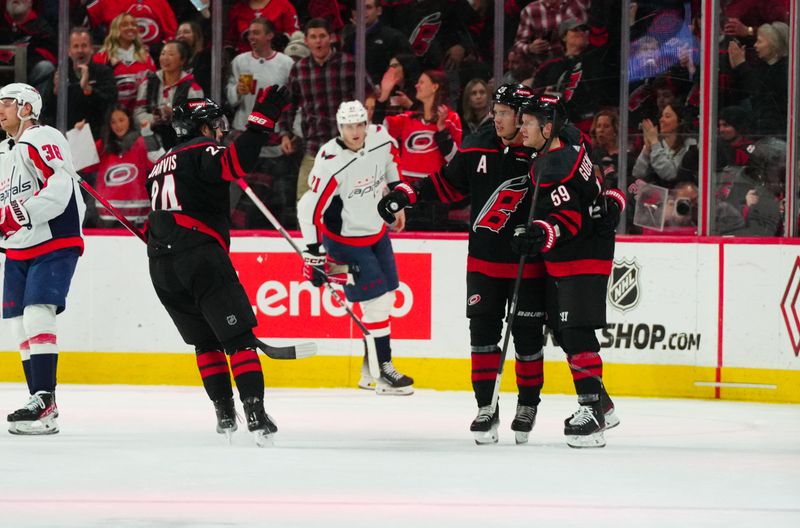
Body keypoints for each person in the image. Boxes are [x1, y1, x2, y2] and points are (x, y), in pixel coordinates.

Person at [378, 84, 547, 443]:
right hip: (483, 262)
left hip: (528, 265)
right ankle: (486, 407)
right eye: (496, 111)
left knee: (528, 339)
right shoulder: (478, 143)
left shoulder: (544, 149)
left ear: (522, 117)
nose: (495, 118)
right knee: (482, 336)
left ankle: (527, 405)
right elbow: (447, 186)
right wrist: (405, 194)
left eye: (503, 112)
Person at [145, 87, 292, 446]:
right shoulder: (202, 149)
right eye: (215, 124)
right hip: (200, 256)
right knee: (238, 339)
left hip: (161, 264)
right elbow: (236, 165)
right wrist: (260, 123)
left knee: (204, 341)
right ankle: (255, 414)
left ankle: (225, 413)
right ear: (202, 127)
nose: (220, 131)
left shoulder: (158, 166)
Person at [511, 94, 624, 448]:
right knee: (564, 329)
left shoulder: (551, 166)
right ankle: (601, 404)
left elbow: (568, 220)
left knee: (575, 331)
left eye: (528, 122)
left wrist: (541, 234)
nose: (521, 127)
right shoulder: (573, 143)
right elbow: (601, 187)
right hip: (586, 250)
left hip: (581, 254)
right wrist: (612, 201)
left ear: (547, 128)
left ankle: (591, 412)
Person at [297, 100, 413, 395]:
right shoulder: (330, 159)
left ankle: (367, 371)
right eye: (349, 126)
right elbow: (308, 207)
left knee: (387, 297)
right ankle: (383, 372)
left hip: (377, 233)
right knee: (376, 304)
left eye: (360, 124)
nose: (355, 131)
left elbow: (391, 163)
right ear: (340, 127)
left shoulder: (380, 138)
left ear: (366, 123)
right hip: (345, 241)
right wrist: (313, 251)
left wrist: (397, 199)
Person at [0, 83, 86, 435]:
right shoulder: (5, 153)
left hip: (53, 238)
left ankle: (44, 397)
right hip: (19, 246)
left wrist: (19, 214)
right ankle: (41, 406)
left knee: (38, 313)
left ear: (25, 108)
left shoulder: (42, 136)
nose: (0, 109)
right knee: (19, 324)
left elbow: (59, 187)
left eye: (6, 103)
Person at [278, 18, 372, 202]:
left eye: (322, 36)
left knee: (354, 204)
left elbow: (370, 94)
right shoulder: (299, 69)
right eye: (313, 37)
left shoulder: (348, 63)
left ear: (331, 38)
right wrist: (284, 134)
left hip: (348, 148)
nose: (318, 41)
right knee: (305, 204)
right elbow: (288, 105)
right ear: (306, 41)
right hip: (314, 147)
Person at [92, 104, 164, 226]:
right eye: (113, 122)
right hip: (106, 215)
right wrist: (78, 134)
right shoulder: (103, 145)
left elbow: (160, 163)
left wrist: (147, 133)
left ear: (129, 120)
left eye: (121, 120)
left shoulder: (142, 142)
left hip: (137, 215)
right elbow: (81, 165)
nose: (118, 125)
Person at [41, 27, 118, 138]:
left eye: (84, 46)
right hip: (66, 136)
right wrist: (55, 93)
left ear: (91, 49)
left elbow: (111, 104)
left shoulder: (104, 72)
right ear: (69, 51)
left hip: (96, 135)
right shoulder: (59, 74)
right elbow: (45, 113)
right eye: (76, 46)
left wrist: (88, 89)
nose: (80, 50)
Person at [134, 40, 204, 150]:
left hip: (180, 141)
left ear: (182, 60)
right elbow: (138, 112)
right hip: (151, 138)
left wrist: (174, 116)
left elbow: (197, 121)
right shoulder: (148, 82)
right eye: (163, 54)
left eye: (171, 54)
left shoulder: (193, 88)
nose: (165, 58)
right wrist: (152, 119)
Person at [93, 12, 157, 112]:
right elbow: (96, 90)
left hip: (141, 114)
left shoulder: (146, 57)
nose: (130, 27)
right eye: (125, 24)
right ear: (115, 29)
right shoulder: (101, 57)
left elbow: (153, 89)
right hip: (111, 116)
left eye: (133, 24)